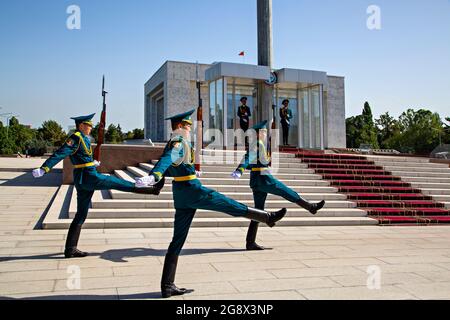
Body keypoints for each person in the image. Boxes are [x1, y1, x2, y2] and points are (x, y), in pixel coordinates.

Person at [135, 109, 287, 298]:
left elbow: (173, 164)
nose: (190, 129)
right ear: (181, 126)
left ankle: (167, 285)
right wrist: (154, 175)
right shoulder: (179, 142)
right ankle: (267, 217)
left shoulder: (173, 142)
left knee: (177, 240)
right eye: (188, 126)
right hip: (193, 190)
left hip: (181, 193)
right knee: (228, 204)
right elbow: (167, 161)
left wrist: (184, 171)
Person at [32, 114, 161, 258]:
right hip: (88, 177)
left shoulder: (83, 139)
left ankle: (70, 248)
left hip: (84, 177)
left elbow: (81, 157)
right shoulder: (75, 138)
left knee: (81, 214)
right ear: (81, 125)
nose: (91, 128)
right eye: (89, 126)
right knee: (116, 182)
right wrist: (44, 168)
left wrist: (92, 162)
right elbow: (60, 153)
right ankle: (150, 189)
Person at [231, 120, 326, 251]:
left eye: (265, 131)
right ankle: (310, 207)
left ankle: (250, 242)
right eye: (263, 132)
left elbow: (253, 162)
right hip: (264, 179)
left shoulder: (261, 144)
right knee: (286, 191)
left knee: (258, 212)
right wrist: (239, 170)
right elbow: (247, 158)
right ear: (258, 134)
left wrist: (246, 169)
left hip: (257, 180)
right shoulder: (257, 144)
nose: (265, 133)